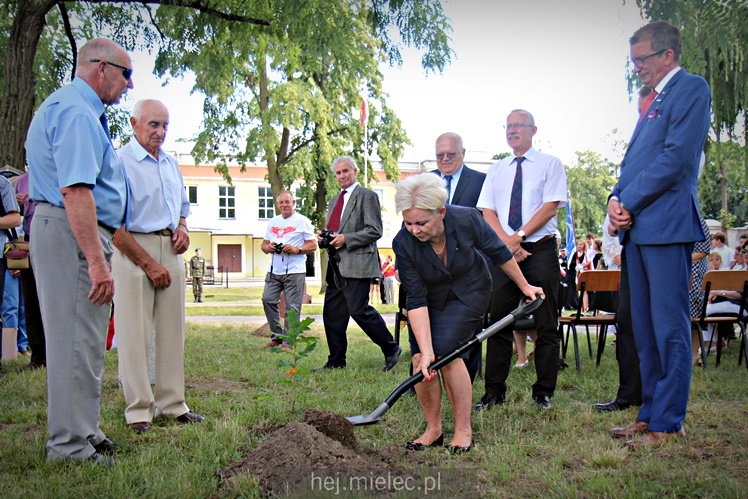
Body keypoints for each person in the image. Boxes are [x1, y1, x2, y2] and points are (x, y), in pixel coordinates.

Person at [26, 38, 133, 465]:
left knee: (85, 341)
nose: (129, 85)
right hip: (72, 232)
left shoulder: (74, 107)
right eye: (126, 74)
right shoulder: (75, 112)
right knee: (74, 342)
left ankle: (84, 431)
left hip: (69, 229)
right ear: (101, 67)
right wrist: (96, 259)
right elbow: (75, 190)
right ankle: (68, 446)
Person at [608, 21, 710, 447]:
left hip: (666, 225)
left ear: (667, 55)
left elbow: (676, 158)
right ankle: (650, 412)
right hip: (640, 228)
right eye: (634, 61)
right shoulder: (654, 100)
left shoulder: (691, 88)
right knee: (644, 328)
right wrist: (616, 199)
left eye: (642, 60)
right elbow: (636, 161)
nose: (637, 69)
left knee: (669, 327)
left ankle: (668, 422)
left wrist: (628, 201)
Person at [393, 173, 541, 452]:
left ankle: (463, 429)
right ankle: (433, 429)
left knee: (447, 354)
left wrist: (524, 286)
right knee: (420, 358)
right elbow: (416, 297)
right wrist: (424, 350)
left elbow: (499, 253)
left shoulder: (467, 219)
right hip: (430, 300)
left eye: (421, 222)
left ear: (441, 212)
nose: (414, 230)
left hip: (470, 292)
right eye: (408, 222)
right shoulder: (403, 242)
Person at [112, 99, 204, 434]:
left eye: (165, 125)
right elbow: (112, 223)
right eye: (153, 125)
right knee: (134, 332)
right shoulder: (119, 161)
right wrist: (147, 263)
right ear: (134, 123)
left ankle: (173, 403)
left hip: (170, 247)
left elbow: (181, 206)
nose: (160, 132)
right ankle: (139, 410)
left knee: (172, 330)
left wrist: (182, 229)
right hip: (133, 247)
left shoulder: (169, 162)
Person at [476, 109, 567, 411]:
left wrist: (520, 236)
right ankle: (493, 392)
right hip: (503, 253)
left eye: (519, 125)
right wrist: (508, 243)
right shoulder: (496, 169)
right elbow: (487, 211)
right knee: (499, 323)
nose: (512, 130)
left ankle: (543, 392)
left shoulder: (550, 164)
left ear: (533, 130)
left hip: (540, 251)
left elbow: (551, 206)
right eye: (508, 126)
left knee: (546, 324)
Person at [317, 156, 401, 371]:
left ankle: (391, 348)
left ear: (354, 171)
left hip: (358, 263)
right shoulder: (335, 200)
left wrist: (346, 238)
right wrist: (326, 238)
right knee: (332, 314)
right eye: (338, 173)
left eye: (346, 171)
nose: (342, 176)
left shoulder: (367, 196)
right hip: (336, 264)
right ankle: (336, 361)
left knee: (358, 310)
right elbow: (336, 228)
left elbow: (374, 230)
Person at [432, 132, 487, 382]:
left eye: (451, 154)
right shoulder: (425, 181)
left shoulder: (481, 181)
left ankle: (468, 376)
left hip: (469, 267)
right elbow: (409, 221)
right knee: (429, 322)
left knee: (470, 324)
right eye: (439, 155)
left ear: (463, 153)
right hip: (432, 266)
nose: (445, 159)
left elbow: (487, 223)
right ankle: (424, 377)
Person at [594, 214, 641, 412]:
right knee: (627, 326)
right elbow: (609, 237)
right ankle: (629, 394)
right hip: (624, 267)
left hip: (653, 254)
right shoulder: (618, 199)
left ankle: (659, 396)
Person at [260, 190, 317, 349]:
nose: (284, 205)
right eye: (281, 202)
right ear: (277, 204)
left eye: (287, 202)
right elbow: (263, 245)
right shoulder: (273, 222)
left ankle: (288, 341)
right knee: (267, 299)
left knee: (292, 307)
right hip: (274, 270)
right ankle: (277, 336)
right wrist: (269, 247)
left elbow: (313, 245)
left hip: (294, 271)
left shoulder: (302, 221)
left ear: (294, 203)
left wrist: (296, 249)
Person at [14, 172, 46, 370]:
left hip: (53, 239)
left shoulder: (57, 173)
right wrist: (18, 204)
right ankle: (38, 357)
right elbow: (18, 216)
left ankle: (58, 355)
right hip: (29, 239)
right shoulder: (21, 181)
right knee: (31, 301)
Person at [0, 175, 21, 379]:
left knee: (7, 308)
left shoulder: (2, 183)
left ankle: (5, 356)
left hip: (0, 252)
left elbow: (15, 219)